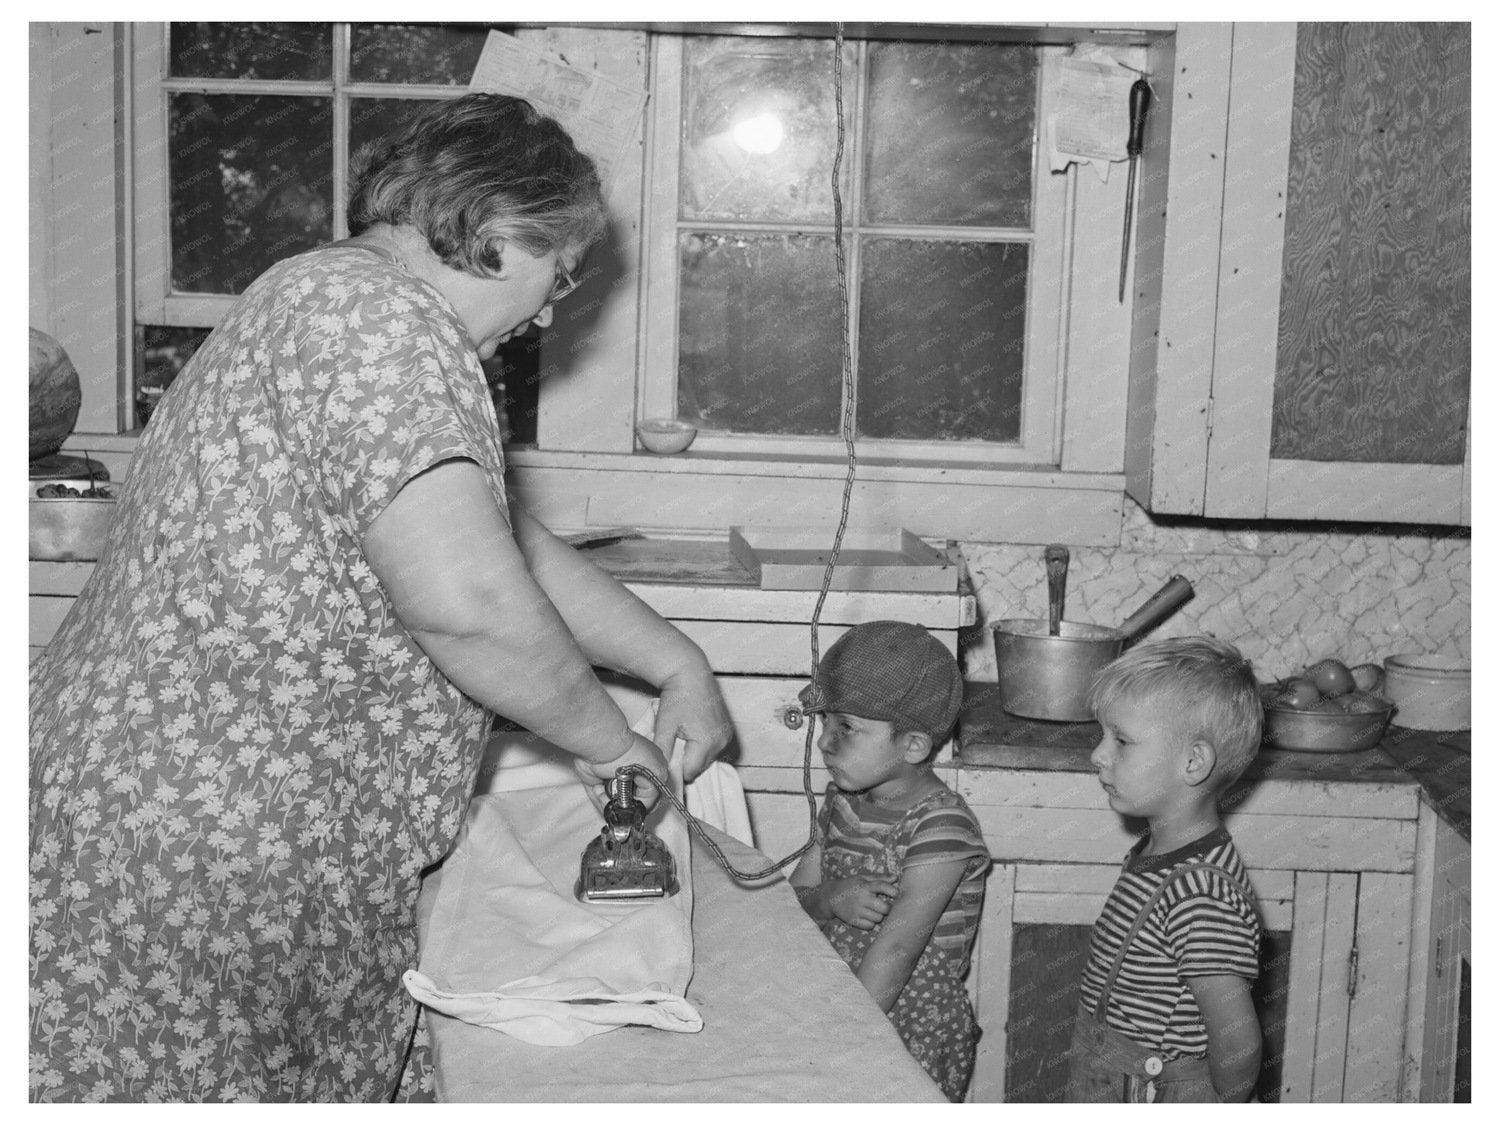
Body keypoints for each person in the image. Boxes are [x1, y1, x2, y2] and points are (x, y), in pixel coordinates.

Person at [28, 93, 731, 1103]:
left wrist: (675, 662)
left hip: (167, 822)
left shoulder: (320, 295)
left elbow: (494, 540)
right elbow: (468, 601)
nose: (546, 312)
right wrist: (609, 746)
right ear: (500, 230)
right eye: (561, 274)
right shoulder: (385, 325)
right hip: (201, 854)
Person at [789, 621, 989, 1103]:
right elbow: (791, 908)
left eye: (846, 728)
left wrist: (843, 1039)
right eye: (825, 723)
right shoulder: (841, 803)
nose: (824, 742)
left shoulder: (942, 827)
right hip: (837, 1002)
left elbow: (897, 949)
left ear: (913, 744)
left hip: (905, 1030)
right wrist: (829, 898)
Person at [1065, 636, 1265, 1103]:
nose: (1098, 755)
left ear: (1193, 762)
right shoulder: (1159, 851)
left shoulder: (1200, 893)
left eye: (1121, 741)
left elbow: (1238, 1041)